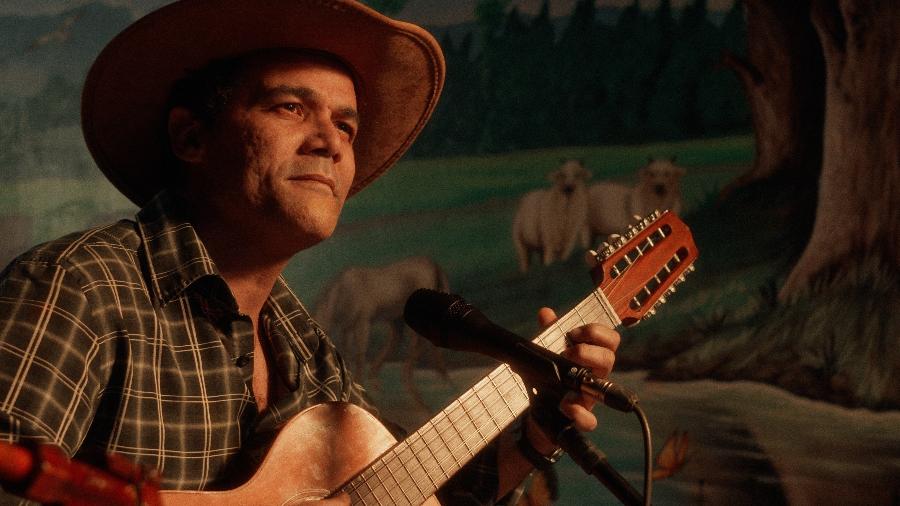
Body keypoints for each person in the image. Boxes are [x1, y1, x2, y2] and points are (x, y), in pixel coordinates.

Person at [0, 1, 620, 504]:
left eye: (346, 125)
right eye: (291, 107)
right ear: (192, 137)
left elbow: (431, 495)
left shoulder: (306, 349)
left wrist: (540, 427)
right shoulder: (77, 287)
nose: (331, 141)